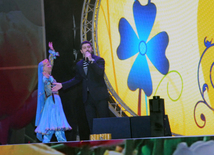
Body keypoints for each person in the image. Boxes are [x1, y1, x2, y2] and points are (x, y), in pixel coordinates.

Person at [52, 41, 110, 133]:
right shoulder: (79, 64)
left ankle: (109, 141)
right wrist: (62, 85)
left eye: (88, 47)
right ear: (81, 51)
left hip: (100, 96)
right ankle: (95, 143)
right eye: (84, 48)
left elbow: (99, 73)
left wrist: (91, 61)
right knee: (91, 123)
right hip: (87, 98)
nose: (87, 49)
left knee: (105, 121)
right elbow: (77, 79)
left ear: (91, 48)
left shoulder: (99, 60)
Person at [35, 42, 72, 143]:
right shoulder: (45, 78)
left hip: (56, 101)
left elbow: (51, 62)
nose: (50, 65)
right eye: (47, 65)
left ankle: (61, 145)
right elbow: (47, 91)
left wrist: (52, 52)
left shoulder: (49, 76)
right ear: (43, 69)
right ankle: (56, 145)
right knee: (52, 125)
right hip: (51, 103)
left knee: (55, 126)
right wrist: (47, 81)